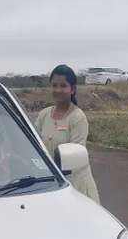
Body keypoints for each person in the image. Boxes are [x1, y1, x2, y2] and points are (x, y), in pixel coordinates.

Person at [34, 64, 100, 203]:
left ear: (72, 89)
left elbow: (75, 158)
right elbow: (35, 147)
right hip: (51, 185)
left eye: (63, 86)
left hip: (75, 188)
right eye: (54, 85)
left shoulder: (77, 118)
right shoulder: (44, 115)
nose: (58, 90)